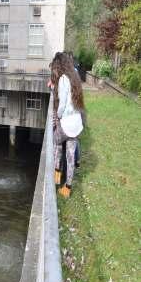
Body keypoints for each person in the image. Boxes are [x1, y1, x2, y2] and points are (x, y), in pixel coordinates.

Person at [51, 52, 85, 198]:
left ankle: (56, 176)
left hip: (66, 124)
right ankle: (67, 188)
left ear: (59, 65)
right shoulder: (75, 77)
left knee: (56, 143)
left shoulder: (64, 79)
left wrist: (57, 117)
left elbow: (62, 104)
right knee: (70, 156)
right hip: (77, 124)